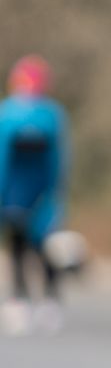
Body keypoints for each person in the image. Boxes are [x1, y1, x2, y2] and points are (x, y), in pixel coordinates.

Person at [0, 56, 70, 335]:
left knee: (44, 250)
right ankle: (22, 300)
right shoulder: (9, 113)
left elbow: (58, 161)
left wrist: (56, 197)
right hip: (17, 195)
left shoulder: (50, 115)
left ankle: (47, 302)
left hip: (39, 195)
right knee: (20, 250)